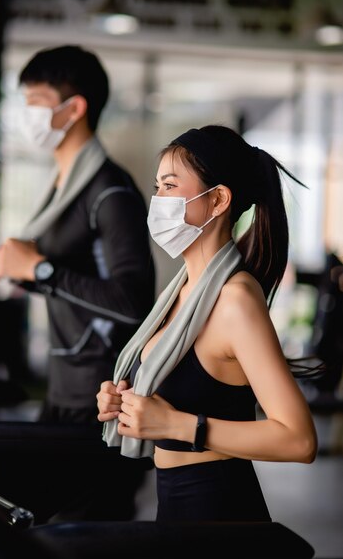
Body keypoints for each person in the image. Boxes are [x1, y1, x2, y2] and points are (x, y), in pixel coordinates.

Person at [97, 124, 318, 522]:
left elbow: (298, 439)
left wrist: (179, 425)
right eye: (157, 186)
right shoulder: (182, 291)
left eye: (169, 186)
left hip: (219, 509)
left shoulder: (235, 300)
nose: (157, 199)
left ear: (217, 200)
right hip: (176, 505)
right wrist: (126, 401)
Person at [0, 44, 155, 425]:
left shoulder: (110, 191)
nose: (27, 112)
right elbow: (71, 280)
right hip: (64, 385)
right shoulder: (62, 185)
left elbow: (133, 302)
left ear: (75, 108)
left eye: (37, 100)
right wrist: (27, 272)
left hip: (102, 396)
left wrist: (41, 270)